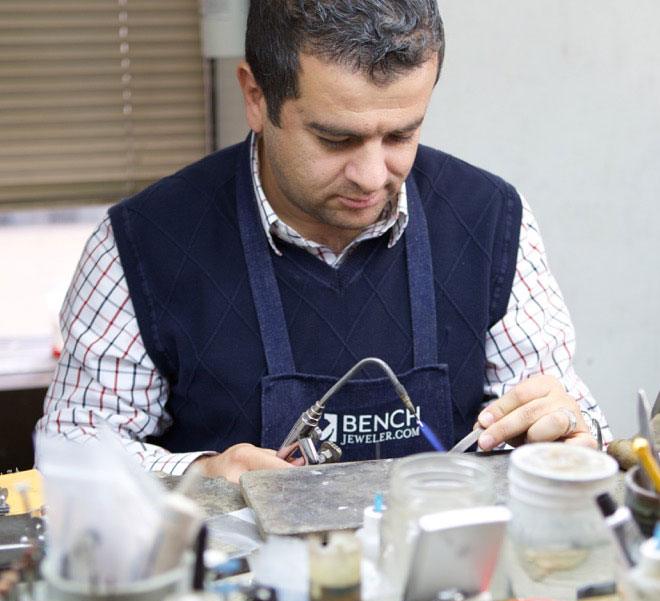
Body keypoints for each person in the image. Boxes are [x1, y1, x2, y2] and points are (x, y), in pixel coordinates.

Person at [37, 0, 609, 483]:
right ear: (256, 97)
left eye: (401, 135)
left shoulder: (489, 219)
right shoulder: (142, 245)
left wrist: (570, 434)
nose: (371, 175)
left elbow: (569, 415)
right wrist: (197, 477)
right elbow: (72, 455)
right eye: (336, 139)